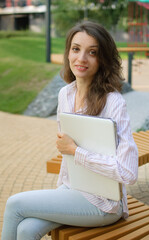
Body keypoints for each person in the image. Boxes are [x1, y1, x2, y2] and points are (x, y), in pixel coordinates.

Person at [2, 21, 138, 240]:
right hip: (72, 190)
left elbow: (128, 173)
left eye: (92, 52)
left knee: (14, 204)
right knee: (25, 229)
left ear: (102, 59)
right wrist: (61, 191)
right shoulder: (65, 94)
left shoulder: (113, 102)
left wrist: (77, 151)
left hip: (103, 203)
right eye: (76, 49)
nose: (81, 58)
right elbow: (68, 163)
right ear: (68, 53)